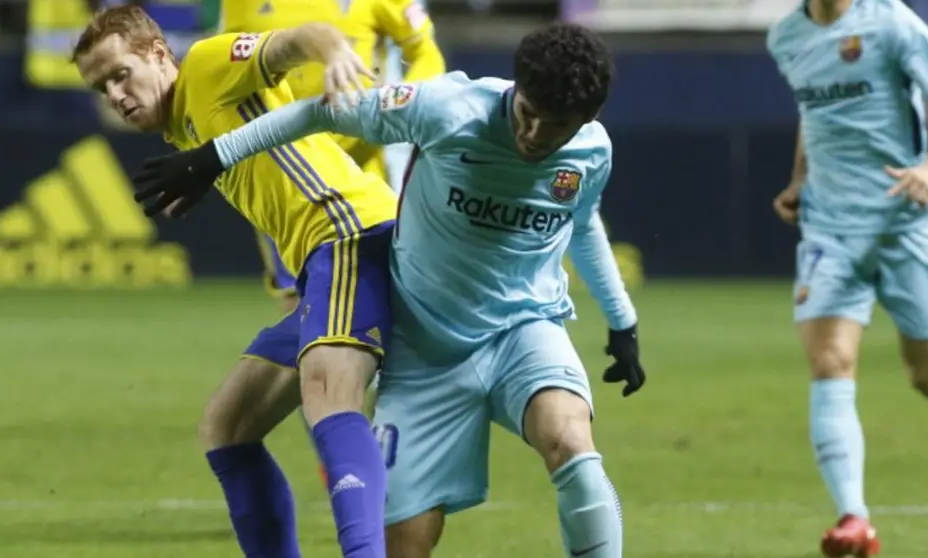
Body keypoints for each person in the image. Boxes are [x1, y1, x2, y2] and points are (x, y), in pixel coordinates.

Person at [131, 22, 646, 558]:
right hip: (422, 349)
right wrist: (214, 157)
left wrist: (622, 321)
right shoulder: (449, 108)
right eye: (527, 113)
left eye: (556, 125)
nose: (536, 134)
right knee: (404, 545)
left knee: (572, 447)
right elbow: (319, 112)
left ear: (586, 121)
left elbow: (582, 223)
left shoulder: (590, 152)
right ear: (517, 89)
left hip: (524, 330)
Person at [71, 6, 395, 558]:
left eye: (121, 74)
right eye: (102, 87)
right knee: (227, 425)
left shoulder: (206, 64)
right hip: (326, 258)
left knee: (328, 393)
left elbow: (297, 40)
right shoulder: (183, 125)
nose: (116, 95)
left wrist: (335, 51)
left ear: (157, 54)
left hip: (352, 234)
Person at [219, 0, 446, 487]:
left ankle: (369, 449)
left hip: (362, 184)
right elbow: (230, 69)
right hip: (287, 183)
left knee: (381, 325)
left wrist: (402, 95)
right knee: (307, 322)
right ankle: (345, 457)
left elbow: (425, 52)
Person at [767, 0, 928, 556]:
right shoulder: (786, 37)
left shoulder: (892, 24)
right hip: (830, 230)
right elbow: (811, 114)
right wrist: (798, 181)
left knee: (927, 374)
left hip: (903, 221)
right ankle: (854, 520)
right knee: (830, 361)